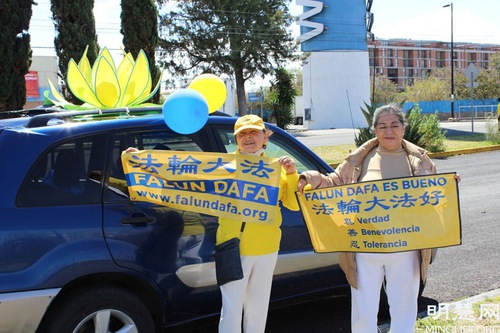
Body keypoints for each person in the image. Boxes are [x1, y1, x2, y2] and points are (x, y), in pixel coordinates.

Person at [298, 103, 460, 333]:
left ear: (404, 128)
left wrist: (448, 187)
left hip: (406, 246)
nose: (388, 130)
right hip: (366, 245)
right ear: (375, 130)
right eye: (382, 126)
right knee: (363, 309)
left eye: (394, 125)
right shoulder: (359, 159)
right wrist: (310, 178)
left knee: (404, 307)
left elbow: (436, 196)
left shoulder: (420, 160)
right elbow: (335, 182)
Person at [217, 114, 299, 333]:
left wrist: (291, 174)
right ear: (235, 140)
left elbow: (293, 204)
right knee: (232, 308)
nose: (248, 137)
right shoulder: (222, 166)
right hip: (232, 246)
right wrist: (141, 162)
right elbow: (181, 181)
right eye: (242, 134)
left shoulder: (276, 169)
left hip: (267, 247)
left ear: (265, 137)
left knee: (258, 308)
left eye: (254, 132)